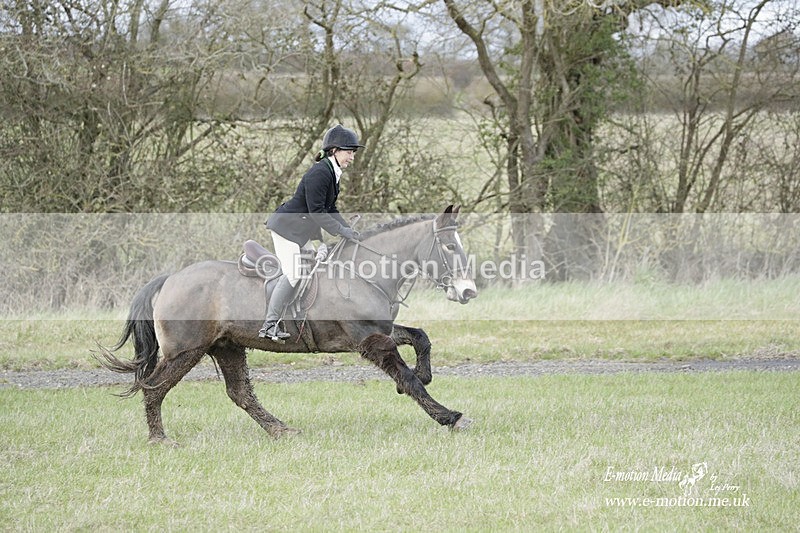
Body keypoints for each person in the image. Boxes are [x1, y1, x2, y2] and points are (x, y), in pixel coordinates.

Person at [258, 124, 364, 340]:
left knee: (316, 266)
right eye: (349, 152)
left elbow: (329, 209)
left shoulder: (333, 173)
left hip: (301, 230)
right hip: (286, 229)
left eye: (353, 152)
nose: (352, 157)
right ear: (334, 151)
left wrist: (346, 229)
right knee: (294, 272)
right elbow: (317, 212)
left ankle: (299, 316)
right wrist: (340, 231)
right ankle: (269, 325)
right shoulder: (320, 173)